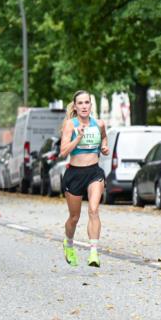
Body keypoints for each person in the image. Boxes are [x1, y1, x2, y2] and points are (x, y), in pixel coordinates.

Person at [58, 90, 109, 267]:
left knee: (93, 210)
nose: (84, 106)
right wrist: (78, 137)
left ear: (91, 105)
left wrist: (104, 147)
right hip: (74, 174)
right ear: (75, 107)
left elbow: (104, 138)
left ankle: (93, 253)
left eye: (87, 102)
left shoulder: (99, 124)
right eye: (80, 103)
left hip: (94, 172)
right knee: (74, 217)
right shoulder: (70, 125)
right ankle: (68, 244)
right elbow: (63, 152)